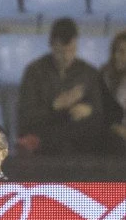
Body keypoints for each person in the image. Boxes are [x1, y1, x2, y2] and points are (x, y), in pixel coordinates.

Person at [17, 18, 108, 156]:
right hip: (46, 133)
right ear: (52, 46)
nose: (66, 57)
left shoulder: (88, 73)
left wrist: (89, 109)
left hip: (80, 133)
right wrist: (55, 106)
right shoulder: (35, 72)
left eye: (71, 50)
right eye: (61, 52)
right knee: (58, 138)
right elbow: (26, 117)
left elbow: (101, 108)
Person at [101, 30, 126, 155]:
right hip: (112, 142)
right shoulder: (106, 76)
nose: (117, 56)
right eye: (115, 51)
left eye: (122, 52)